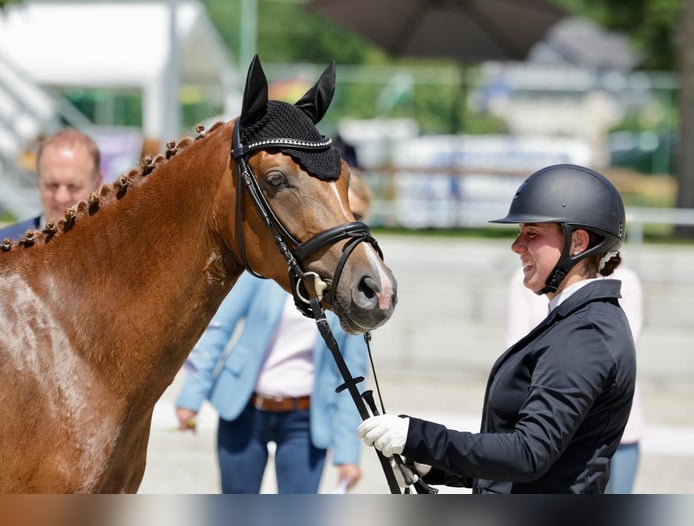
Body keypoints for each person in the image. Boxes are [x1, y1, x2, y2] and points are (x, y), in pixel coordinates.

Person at [357, 163, 636, 494]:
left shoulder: (585, 334)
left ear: (577, 242)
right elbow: (535, 461)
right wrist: (435, 465)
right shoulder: (573, 321)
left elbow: (528, 454)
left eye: (532, 234)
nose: (517, 245)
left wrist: (419, 437)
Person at [174, 172, 373, 494]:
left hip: (305, 420)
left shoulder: (352, 294)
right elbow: (218, 329)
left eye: (357, 216)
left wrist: (348, 454)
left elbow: (353, 375)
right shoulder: (271, 268)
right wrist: (191, 397)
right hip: (245, 408)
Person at [505, 265, 646, 494]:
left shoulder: (626, 280)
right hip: (549, 420)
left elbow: (620, 347)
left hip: (614, 420)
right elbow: (517, 345)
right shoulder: (525, 277)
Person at [0, 128, 103, 246]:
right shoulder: (1, 245)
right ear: (38, 182)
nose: (61, 198)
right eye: (52, 185)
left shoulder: (111, 248)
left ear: (97, 184)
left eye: (73, 186)